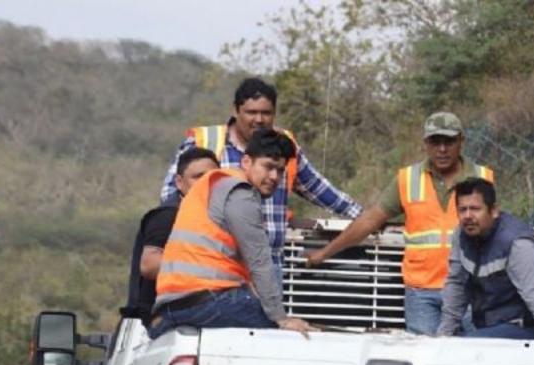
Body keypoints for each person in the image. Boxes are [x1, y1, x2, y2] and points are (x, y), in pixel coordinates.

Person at [305, 111, 494, 335]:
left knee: (474, 357)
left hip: (470, 290)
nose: (442, 149)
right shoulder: (407, 179)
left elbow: (497, 231)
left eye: (449, 141)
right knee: (424, 362)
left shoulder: (483, 177)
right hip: (422, 294)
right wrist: (325, 253)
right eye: (435, 141)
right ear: (425, 143)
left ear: (461, 141)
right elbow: (370, 220)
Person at [159, 77, 362, 277]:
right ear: (235, 110)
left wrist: (365, 216)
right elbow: (170, 197)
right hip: (218, 264)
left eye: (266, 113)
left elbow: (318, 188)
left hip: (269, 264)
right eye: (251, 112)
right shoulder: (205, 142)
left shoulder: (283, 145)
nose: (259, 119)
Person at [150, 129, 315, 339]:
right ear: (246, 162)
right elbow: (259, 261)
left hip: (171, 305)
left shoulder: (214, 184)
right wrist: (282, 319)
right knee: (284, 336)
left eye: (281, 171)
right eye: (268, 167)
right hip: (205, 300)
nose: (274, 177)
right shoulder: (240, 193)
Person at [436, 178, 534, 340]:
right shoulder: (461, 235)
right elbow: (456, 285)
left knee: (468, 347)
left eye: (475, 209)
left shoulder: (518, 242)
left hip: (524, 329)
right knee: (454, 346)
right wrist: (444, 336)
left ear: (494, 210)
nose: (467, 216)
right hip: (488, 327)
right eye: (462, 210)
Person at [125, 147, 219, 318]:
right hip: (156, 321)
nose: (206, 182)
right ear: (179, 182)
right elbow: (150, 265)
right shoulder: (167, 216)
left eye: (212, 177)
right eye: (198, 177)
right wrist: (208, 266)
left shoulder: (211, 216)